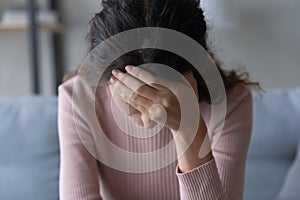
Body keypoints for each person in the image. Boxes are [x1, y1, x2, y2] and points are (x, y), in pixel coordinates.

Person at [58, 0, 259, 199]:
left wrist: (188, 127)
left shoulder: (232, 102)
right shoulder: (78, 98)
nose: (147, 119)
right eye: (130, 89)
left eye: (161, 91)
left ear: (193, 73)